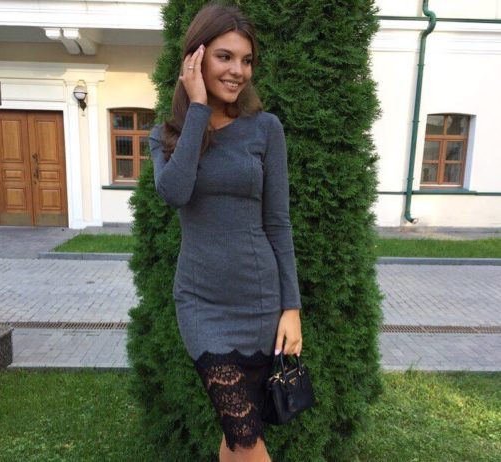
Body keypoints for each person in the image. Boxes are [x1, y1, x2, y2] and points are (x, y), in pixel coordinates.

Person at [149, 3, 302, 461]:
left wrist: (291, 307)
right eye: (225, 56)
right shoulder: (167, 136)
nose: (238, 71)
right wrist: (197, 107)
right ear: (195, 59)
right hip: (202, 305)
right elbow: (175, 192)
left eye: (246, 60)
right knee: (245, 435)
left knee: (237, 434)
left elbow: (278, 222)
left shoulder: (265, 129)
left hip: (260, 302)